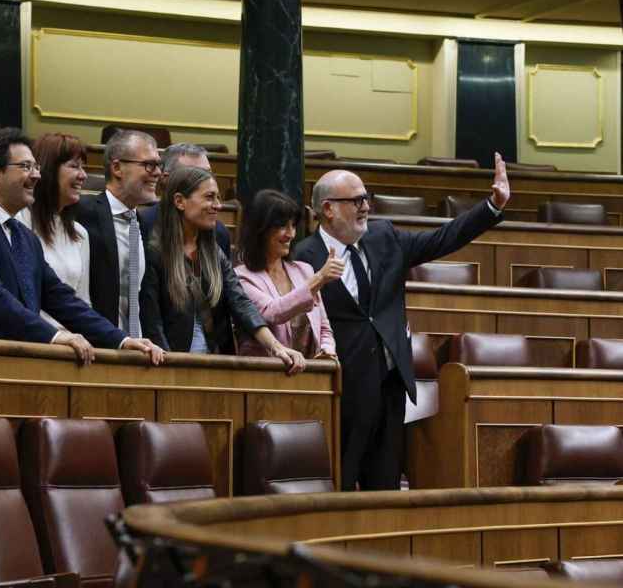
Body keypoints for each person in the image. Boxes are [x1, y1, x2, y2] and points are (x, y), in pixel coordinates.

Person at [293, 153, 511, 491]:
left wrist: (492, 207)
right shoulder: (305, 257)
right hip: (343, 392)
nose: (365, 206)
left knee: (385, 486)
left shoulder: (385, 238)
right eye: (356, 200)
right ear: (328, 209)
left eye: (366, 198)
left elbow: (443, 239)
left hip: (390, 385)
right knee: (341, 485)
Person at [0, 127, 164, 367]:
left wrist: (121, 340)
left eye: (36, 167)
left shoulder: (23, 236)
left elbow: (60, 298)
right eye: (25, 167)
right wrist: (54, 335)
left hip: (12, 364)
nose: (36, 176)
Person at [140, 166, 306, 374]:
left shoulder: (214, 249)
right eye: (209, 197)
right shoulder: (154, 251)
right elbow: (152, 321)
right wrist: (167, 367)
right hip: (170, 364)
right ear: (179, 201)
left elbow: (240, 302)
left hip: (215, 361)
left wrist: (276, 346)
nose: (218, 205)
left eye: (218, 198)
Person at [234, 189, 342, 359]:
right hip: (263, 376)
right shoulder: (241, 277)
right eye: (282, 226)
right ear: (260, 229)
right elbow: (273, 312)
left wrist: (327, 351)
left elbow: (323, 326)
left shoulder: (304, 270)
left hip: (309, 374)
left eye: (293, 225)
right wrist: (320, 278)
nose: (291, 234)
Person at [75, 130, 160, 336]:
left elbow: (144, 300)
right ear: (117, 168)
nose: (157, 172)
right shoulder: (81, 213)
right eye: (149, 165)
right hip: (96, 346)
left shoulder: (144, 223)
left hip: (137, 348)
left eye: (159, 164)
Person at [17, 132, 91, 305]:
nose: (83, 175)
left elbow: (83, 302)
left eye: (83, 167)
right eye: (74, 166)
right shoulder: (18, 223)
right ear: (48, 170)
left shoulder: (80, 233)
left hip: (73, 330)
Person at [141, 143, 232, 257]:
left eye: (208, 173)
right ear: (166, 179)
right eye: (195, 175)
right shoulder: (141, 227)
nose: (207, 181)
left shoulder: (218, 233)